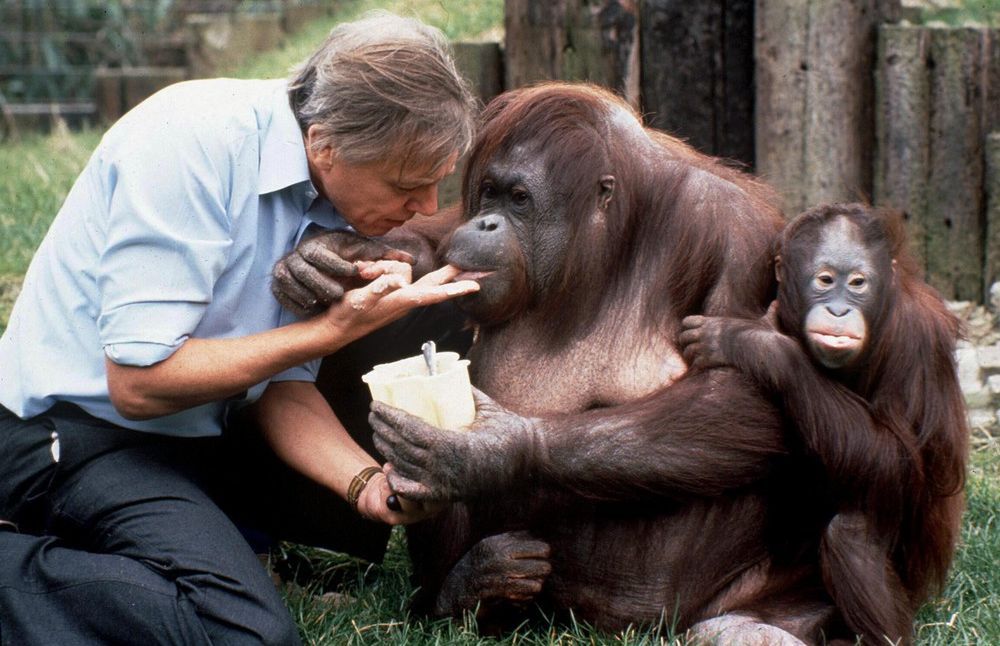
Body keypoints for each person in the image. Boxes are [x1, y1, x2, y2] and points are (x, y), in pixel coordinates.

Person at [0, 12, 477, 645]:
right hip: (74, 436)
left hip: (195, 437)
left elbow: (280, 386)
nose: (427, 207)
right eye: (407, 185)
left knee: (437, 312)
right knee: (248, 635)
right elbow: (138, 383)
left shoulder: (325, 193)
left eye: (438, 182)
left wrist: (368, 488)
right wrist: (328, 331)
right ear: (324, 143)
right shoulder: (189, 143)